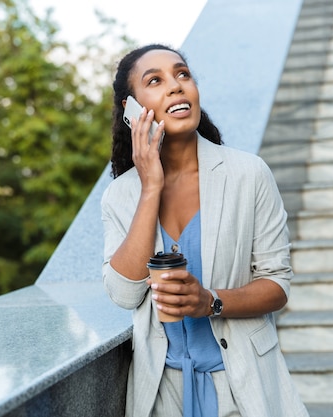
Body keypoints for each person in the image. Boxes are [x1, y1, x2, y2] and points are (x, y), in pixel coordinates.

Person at [101, 44, 309, 417]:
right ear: (131, 110)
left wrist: (209, 301)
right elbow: (124, 293)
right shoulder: (121, 195)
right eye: (156, 80)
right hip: (162, 394)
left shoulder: (248, 174)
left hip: (241, 386)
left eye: (183, 74)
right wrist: (150, 187)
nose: (176, 86)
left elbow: (277, 286)